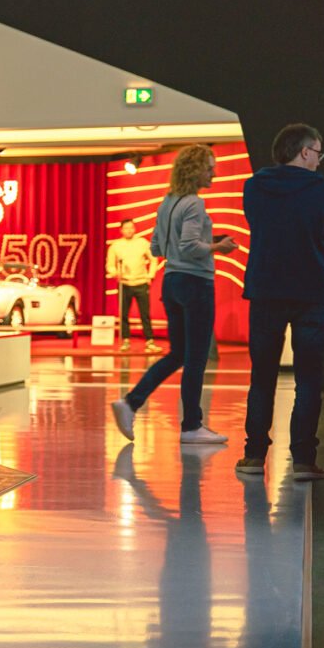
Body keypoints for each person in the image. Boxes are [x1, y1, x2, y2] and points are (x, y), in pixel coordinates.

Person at [237, 124, 324, 480]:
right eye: (318, 152)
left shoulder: (254, 186)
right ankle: (302, 460)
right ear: (304, 152)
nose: (319, 160)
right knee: (309, 378)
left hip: (266, 289)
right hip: (313, 292)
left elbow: (258, 225)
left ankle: (254, 456)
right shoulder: (321, 190)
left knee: (262, 376)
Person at [110, 145, 238, 444]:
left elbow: (156, 247)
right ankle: (192, 425)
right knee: (196, 357)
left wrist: (194, 245)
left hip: (172, 283)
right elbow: (191, 246)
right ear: (195, 170)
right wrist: (218, 247)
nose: (214, 172)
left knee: (179, 353)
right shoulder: (194, 204)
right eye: (209, 167)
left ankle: (131, 402)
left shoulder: (167, 202)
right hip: (195, 283)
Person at [106, 218, 162, 352]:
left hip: (141, 283)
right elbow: (110, 264)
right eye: (126, 228)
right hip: (124, 283)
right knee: (124, 314)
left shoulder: (142, 243)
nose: (129, 230)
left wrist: (151, 275)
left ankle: (149, 341)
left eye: (131, 227)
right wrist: (115, 273)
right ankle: (126, 340)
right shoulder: (116, 245)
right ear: (121, 230)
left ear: (134, 228)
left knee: (145, 314)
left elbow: (154, 259)